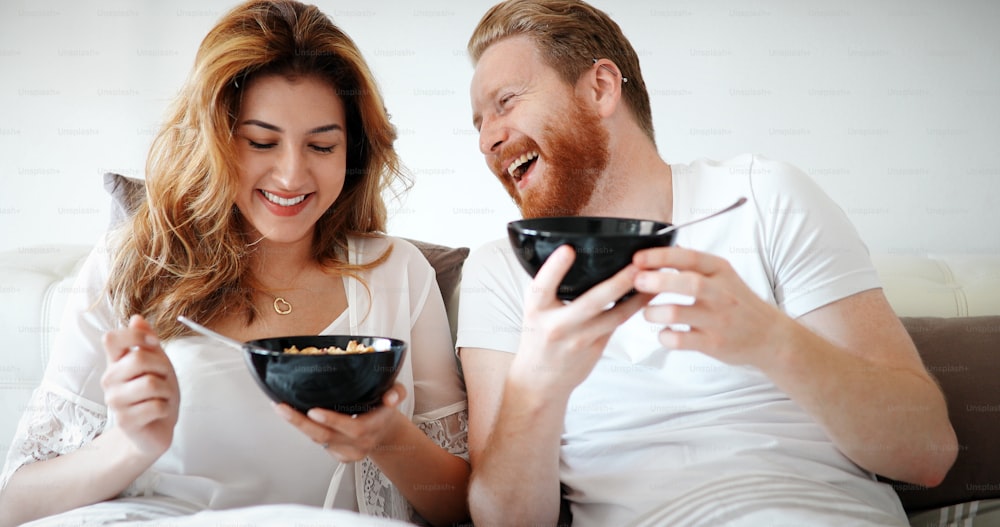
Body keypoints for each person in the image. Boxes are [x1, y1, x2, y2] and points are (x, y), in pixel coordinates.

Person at [456, 1, 958, 526]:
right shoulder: (498, 273)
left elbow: (927, 453)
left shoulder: (764, 196)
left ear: (601, 88)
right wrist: (536, 386)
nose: (488, 139)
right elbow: (504, 521)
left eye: (506, 102)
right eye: (479, 122)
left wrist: (774, 341)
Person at [0, 1, 469, 526]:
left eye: (321, 145)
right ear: (213, 141)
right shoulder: (133, 259)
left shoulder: (396, 273)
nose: (292, 175)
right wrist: (128, 445)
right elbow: (16, 501)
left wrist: (386, 436)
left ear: (352, 152)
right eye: (261, 142)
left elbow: (461, 508)